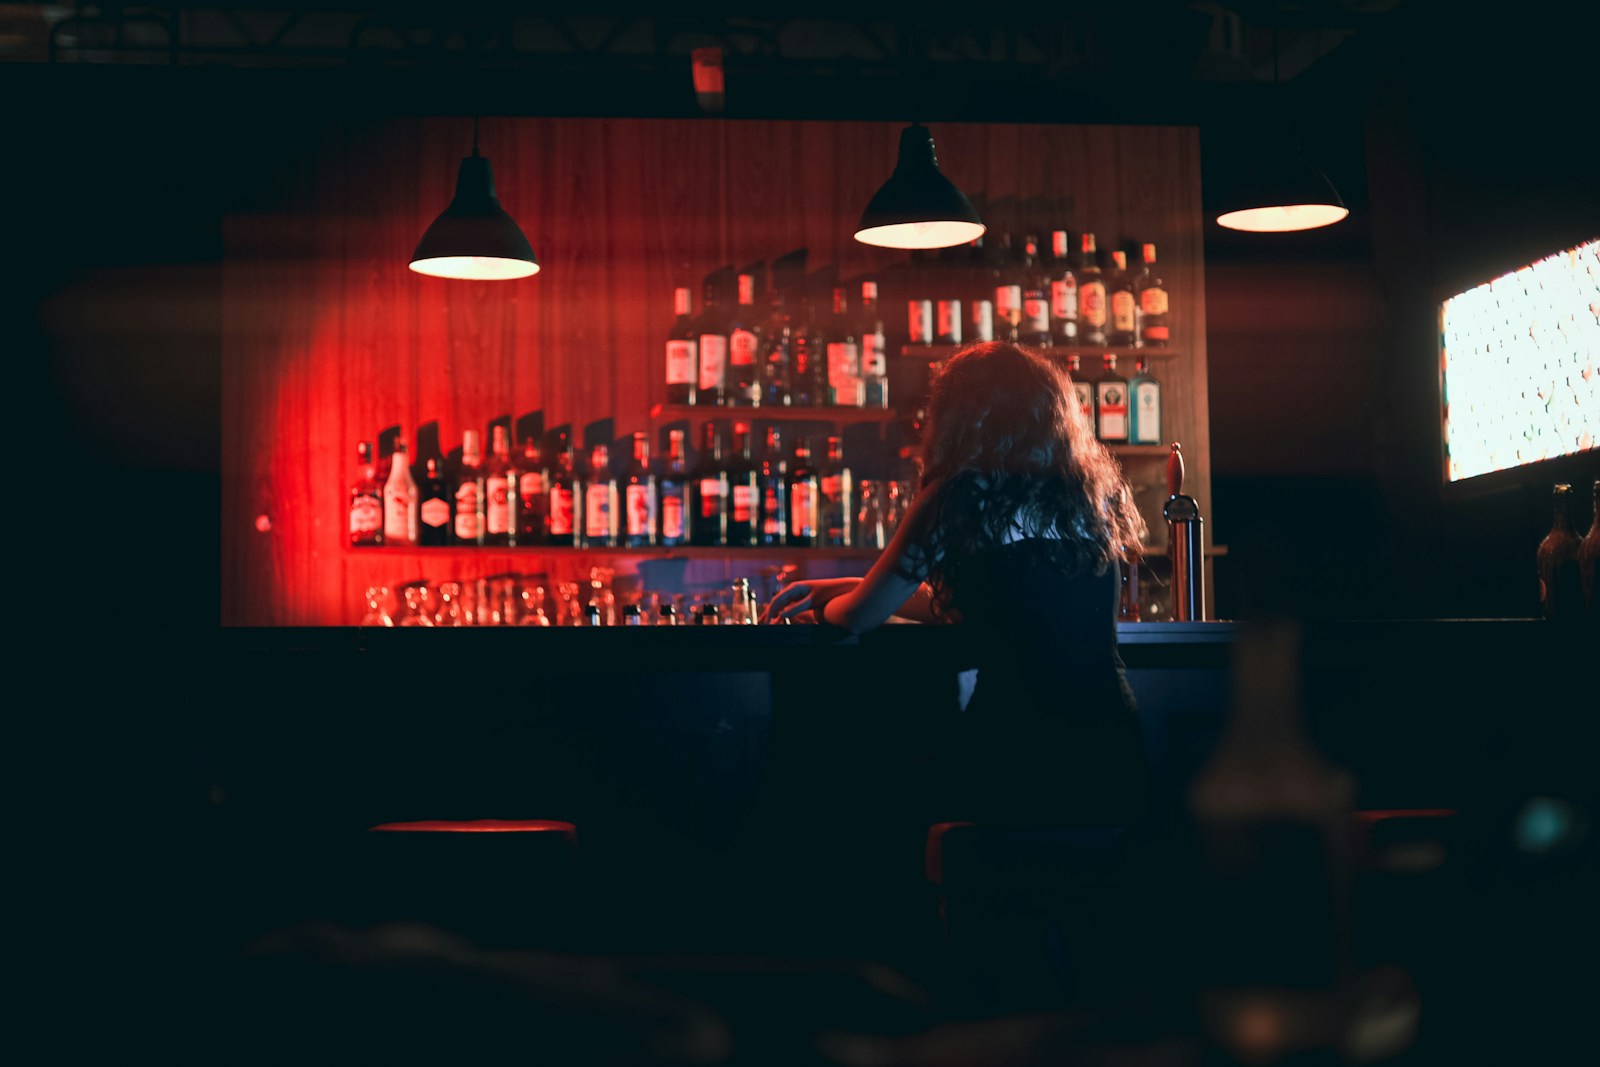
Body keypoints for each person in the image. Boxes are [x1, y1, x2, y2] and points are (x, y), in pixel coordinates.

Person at [760, 340, 1151, 830]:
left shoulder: (963, 494)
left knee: (868, 809)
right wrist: (856, 584)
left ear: (961, 415)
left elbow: (860, 617)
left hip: (1017, 746)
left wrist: (829, 607)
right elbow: (997, 605)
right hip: (1110, 746)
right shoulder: (1086, 495)